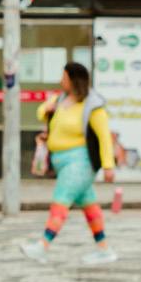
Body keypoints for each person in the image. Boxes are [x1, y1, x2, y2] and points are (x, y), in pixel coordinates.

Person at [36, 60, 122, 259]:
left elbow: (104, 137)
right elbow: (41, 112)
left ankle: (43, 245)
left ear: (74, 80)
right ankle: (104, 249)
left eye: (64, 77)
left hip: (80, 162)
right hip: (61, 161)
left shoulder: (93, 105)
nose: (60, 81)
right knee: (89, 206)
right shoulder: (61, 100)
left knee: (61, 199)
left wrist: (108, 166)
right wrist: (50, 107)